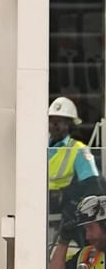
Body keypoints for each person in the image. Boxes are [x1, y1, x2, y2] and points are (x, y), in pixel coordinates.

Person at [47, 96, 103, 269]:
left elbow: (94, 185)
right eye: (52, 121)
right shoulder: (38, 147)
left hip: (68, 216)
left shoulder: (79, 150)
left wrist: (75, 205)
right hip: (43, 214)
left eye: (60, 122)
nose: (55, 126)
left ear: (70, 125)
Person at [55, 195, 106, 269]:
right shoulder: (86, 255)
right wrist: (63, 240)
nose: (87, 236)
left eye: (90, 228)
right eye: (85, 229)